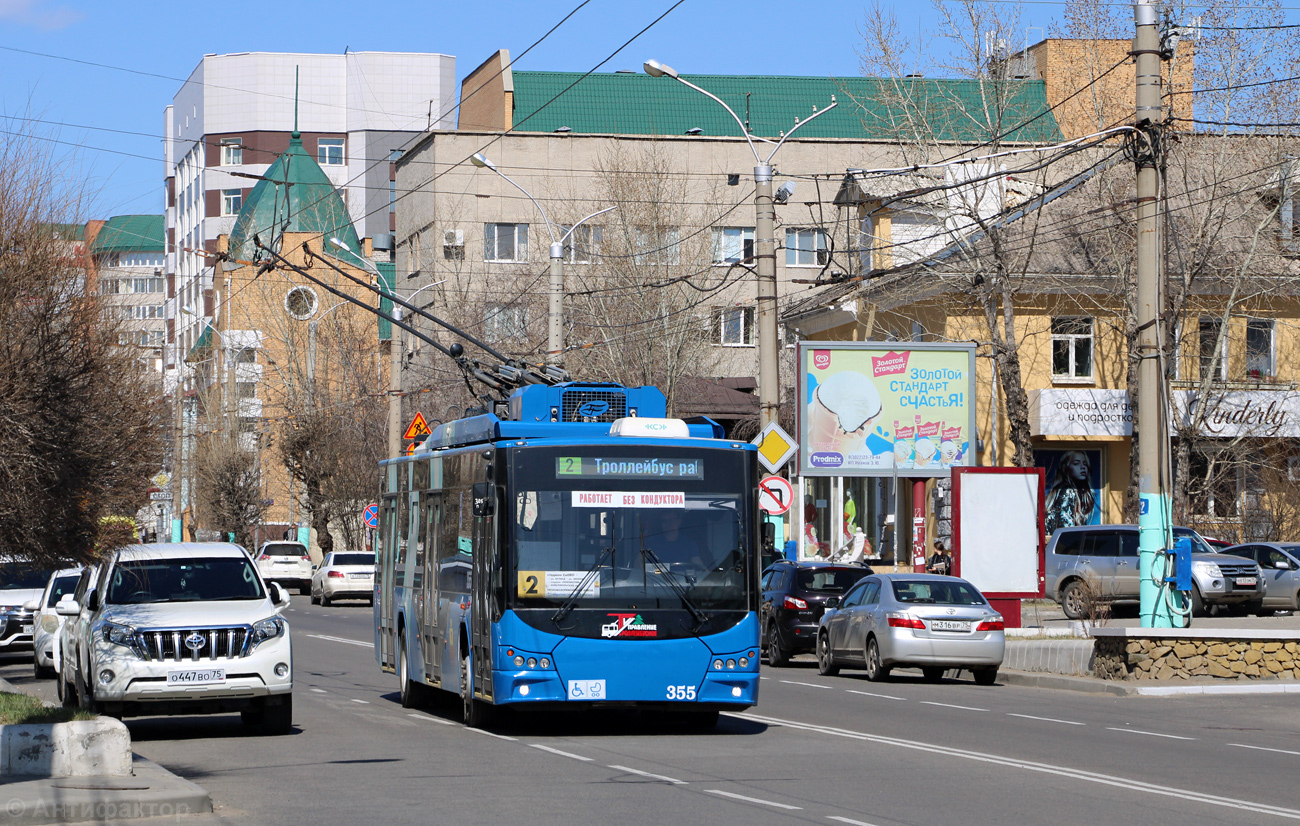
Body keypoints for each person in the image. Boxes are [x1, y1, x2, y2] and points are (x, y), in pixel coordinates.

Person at [1045, 451, 1096, 534]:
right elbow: (1066, 527)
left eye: (1085, 463)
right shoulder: (1067, 491)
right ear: (1066, 468)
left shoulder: (1078, 492)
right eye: (1076, 463)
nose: (1082, 467)